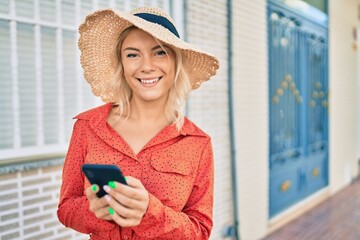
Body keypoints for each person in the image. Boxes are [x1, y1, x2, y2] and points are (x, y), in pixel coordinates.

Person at [57, 6, 219, 240]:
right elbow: (66, 209)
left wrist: (150, 213)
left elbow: (200, 231)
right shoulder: (87, 126)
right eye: (133, 54)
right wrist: (93, 211)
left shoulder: (197, 143)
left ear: (176, 63)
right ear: (121, 65)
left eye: (160, 52)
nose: (146, 66)